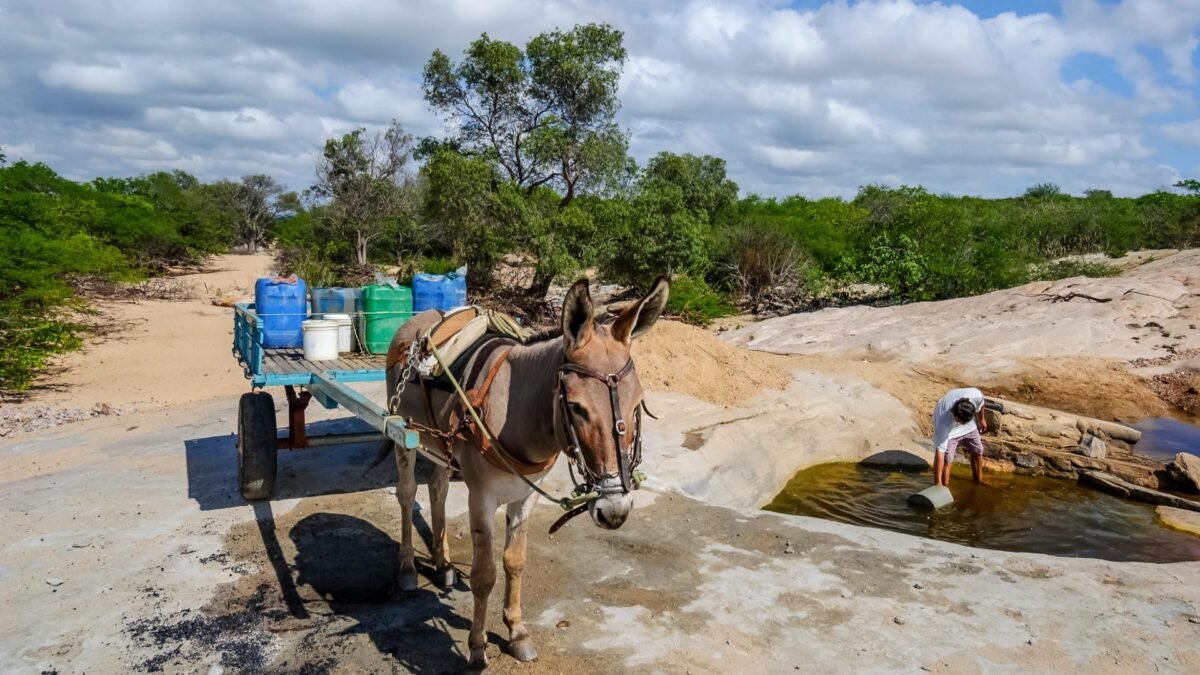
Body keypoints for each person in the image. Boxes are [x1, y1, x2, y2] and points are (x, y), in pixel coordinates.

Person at [931, 387, 988, 486]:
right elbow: (940, 454)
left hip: (969, 426)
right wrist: (937, 484)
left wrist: (981, 419)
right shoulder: (943, 422)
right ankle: (943, 487)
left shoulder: (976, 396)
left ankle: (978, 480)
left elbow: (981, 403)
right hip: (950, 431)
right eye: (958, 421)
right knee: (947, 460)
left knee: (978, 450)